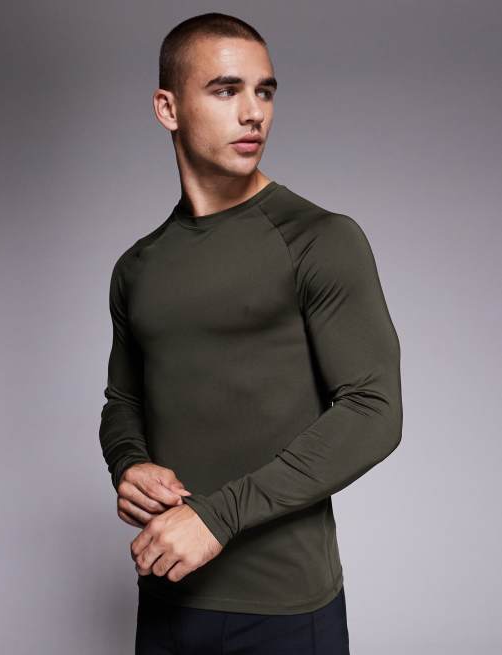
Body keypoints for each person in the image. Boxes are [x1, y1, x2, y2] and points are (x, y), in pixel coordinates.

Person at [98, 11, 403, 655]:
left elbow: (374, 411)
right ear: (168, 108)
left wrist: (217, 516)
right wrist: (129, 462)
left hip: (286, 609)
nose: (253, 113)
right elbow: (122, 401)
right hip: (168, 595)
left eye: (264, 91)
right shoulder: (138, 267)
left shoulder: (319, 239)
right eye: (225, 90)